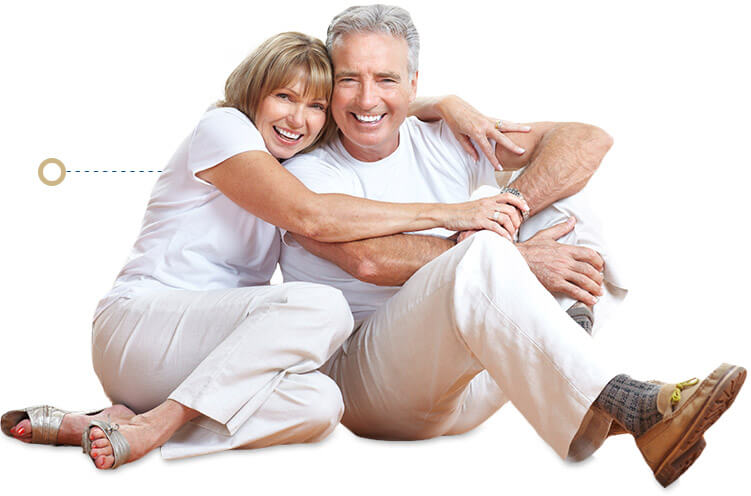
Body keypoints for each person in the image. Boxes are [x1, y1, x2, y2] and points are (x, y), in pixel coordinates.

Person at [1, 31, 534, 469]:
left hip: (204, 358)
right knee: (324, 307)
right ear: (255, 93)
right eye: (284, 97)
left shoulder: (294, 161)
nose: (298, 119)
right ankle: (161, 422)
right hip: (138, 328)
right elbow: (312, 216)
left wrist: (440, 102)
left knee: (323, 404)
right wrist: (451, 214)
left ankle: (120, 423)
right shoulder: (224, 130)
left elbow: (367, 112)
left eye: (315, 105)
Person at [277, 5, 745, 487]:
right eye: (349, 79)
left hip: (471, 381)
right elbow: (368, 259)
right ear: (327, 84)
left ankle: (574, 359)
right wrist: (515, 260)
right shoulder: (301, 171)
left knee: (562, 196)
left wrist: (514, 203)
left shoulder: (444, 137)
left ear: (414, 84)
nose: (368, 97)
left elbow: (586, 140)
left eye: (387, 79)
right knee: (482, 252)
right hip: (373, 388)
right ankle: (629, 403)